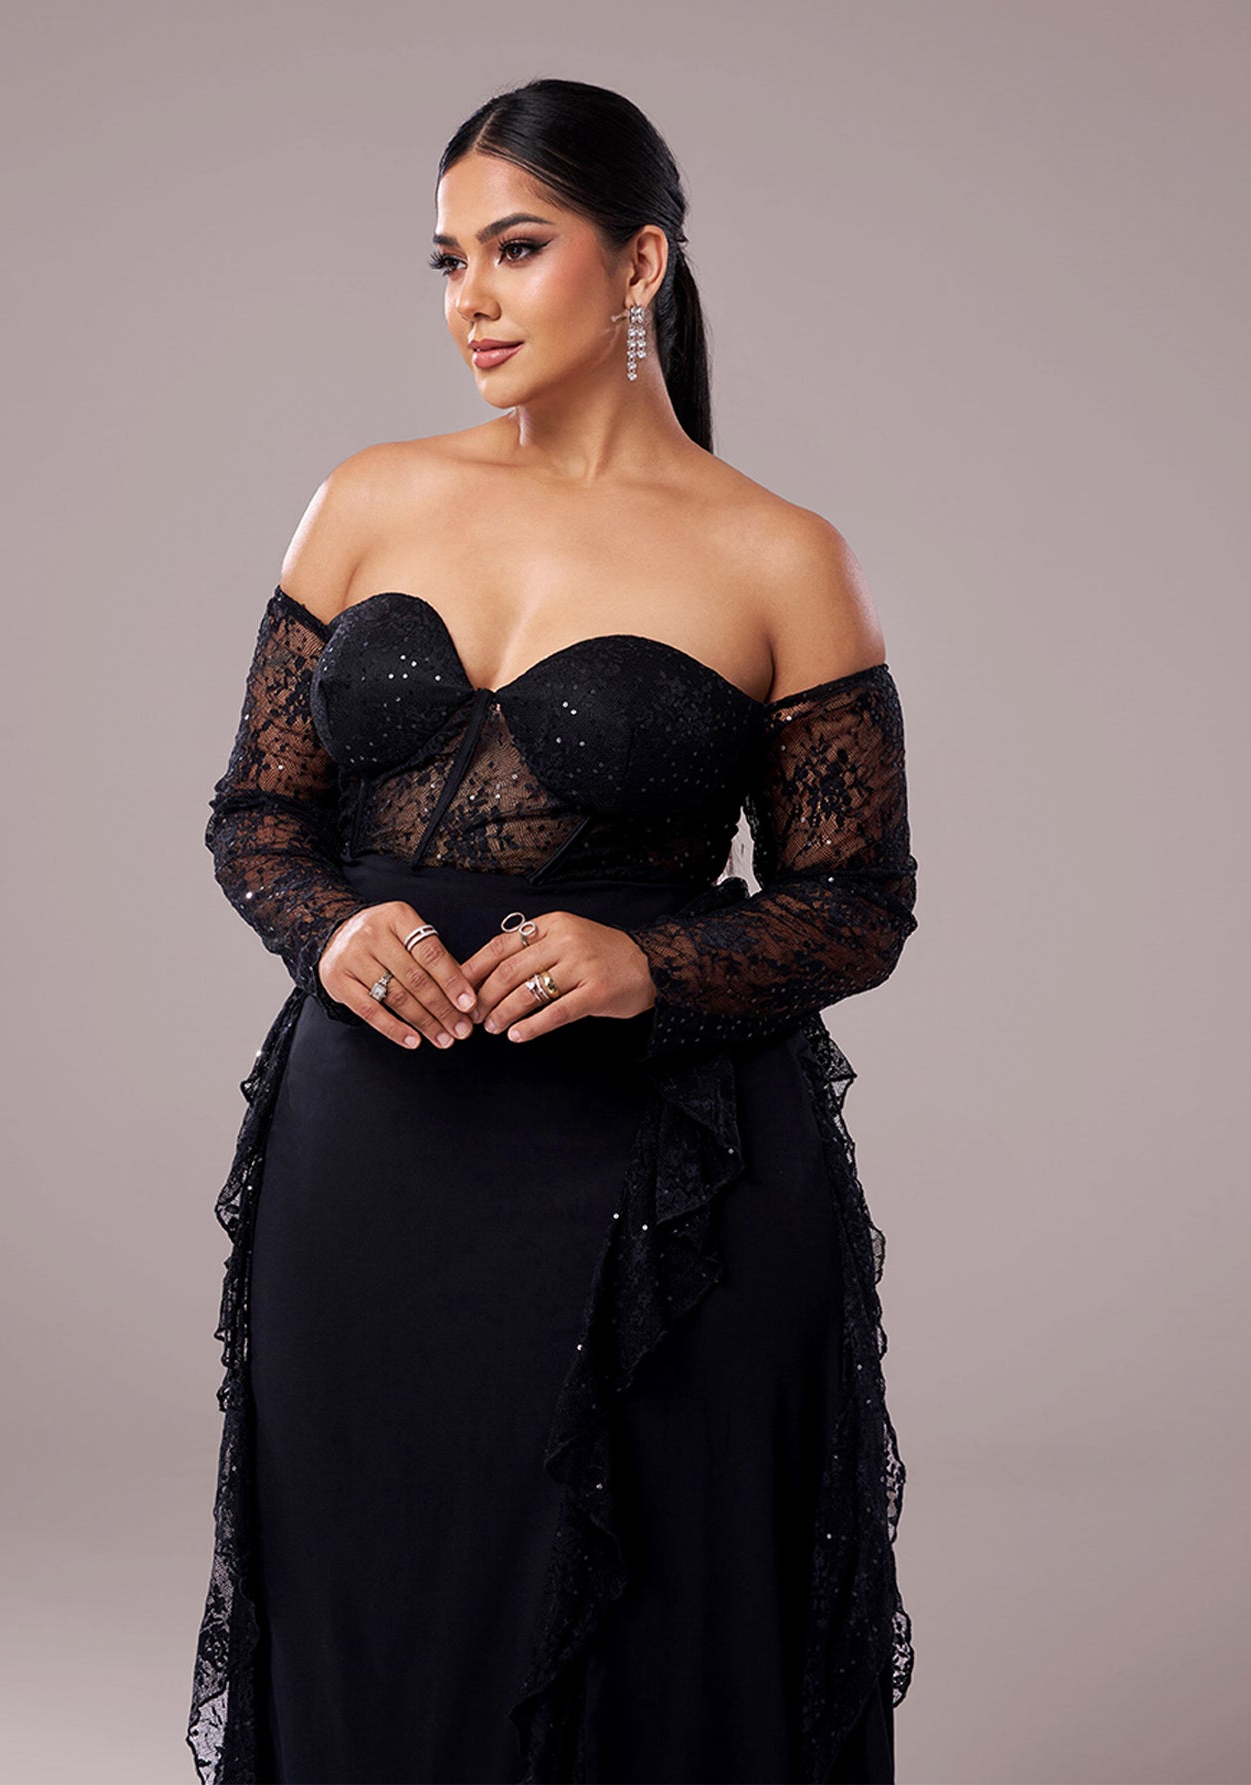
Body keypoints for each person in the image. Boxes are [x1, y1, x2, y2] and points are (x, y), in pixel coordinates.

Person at [186, 76, 918, 1785]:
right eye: (450, 261)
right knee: (370, 1581)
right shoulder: (365, 499)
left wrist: (651, 963)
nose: (474, 301)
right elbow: (257, 815)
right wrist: (330, 930)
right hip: (373, 1154)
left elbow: (858, 901)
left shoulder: (778, 555)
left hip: (645, 1173)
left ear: (640, 261)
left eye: (518, 249)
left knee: (642, 1622)